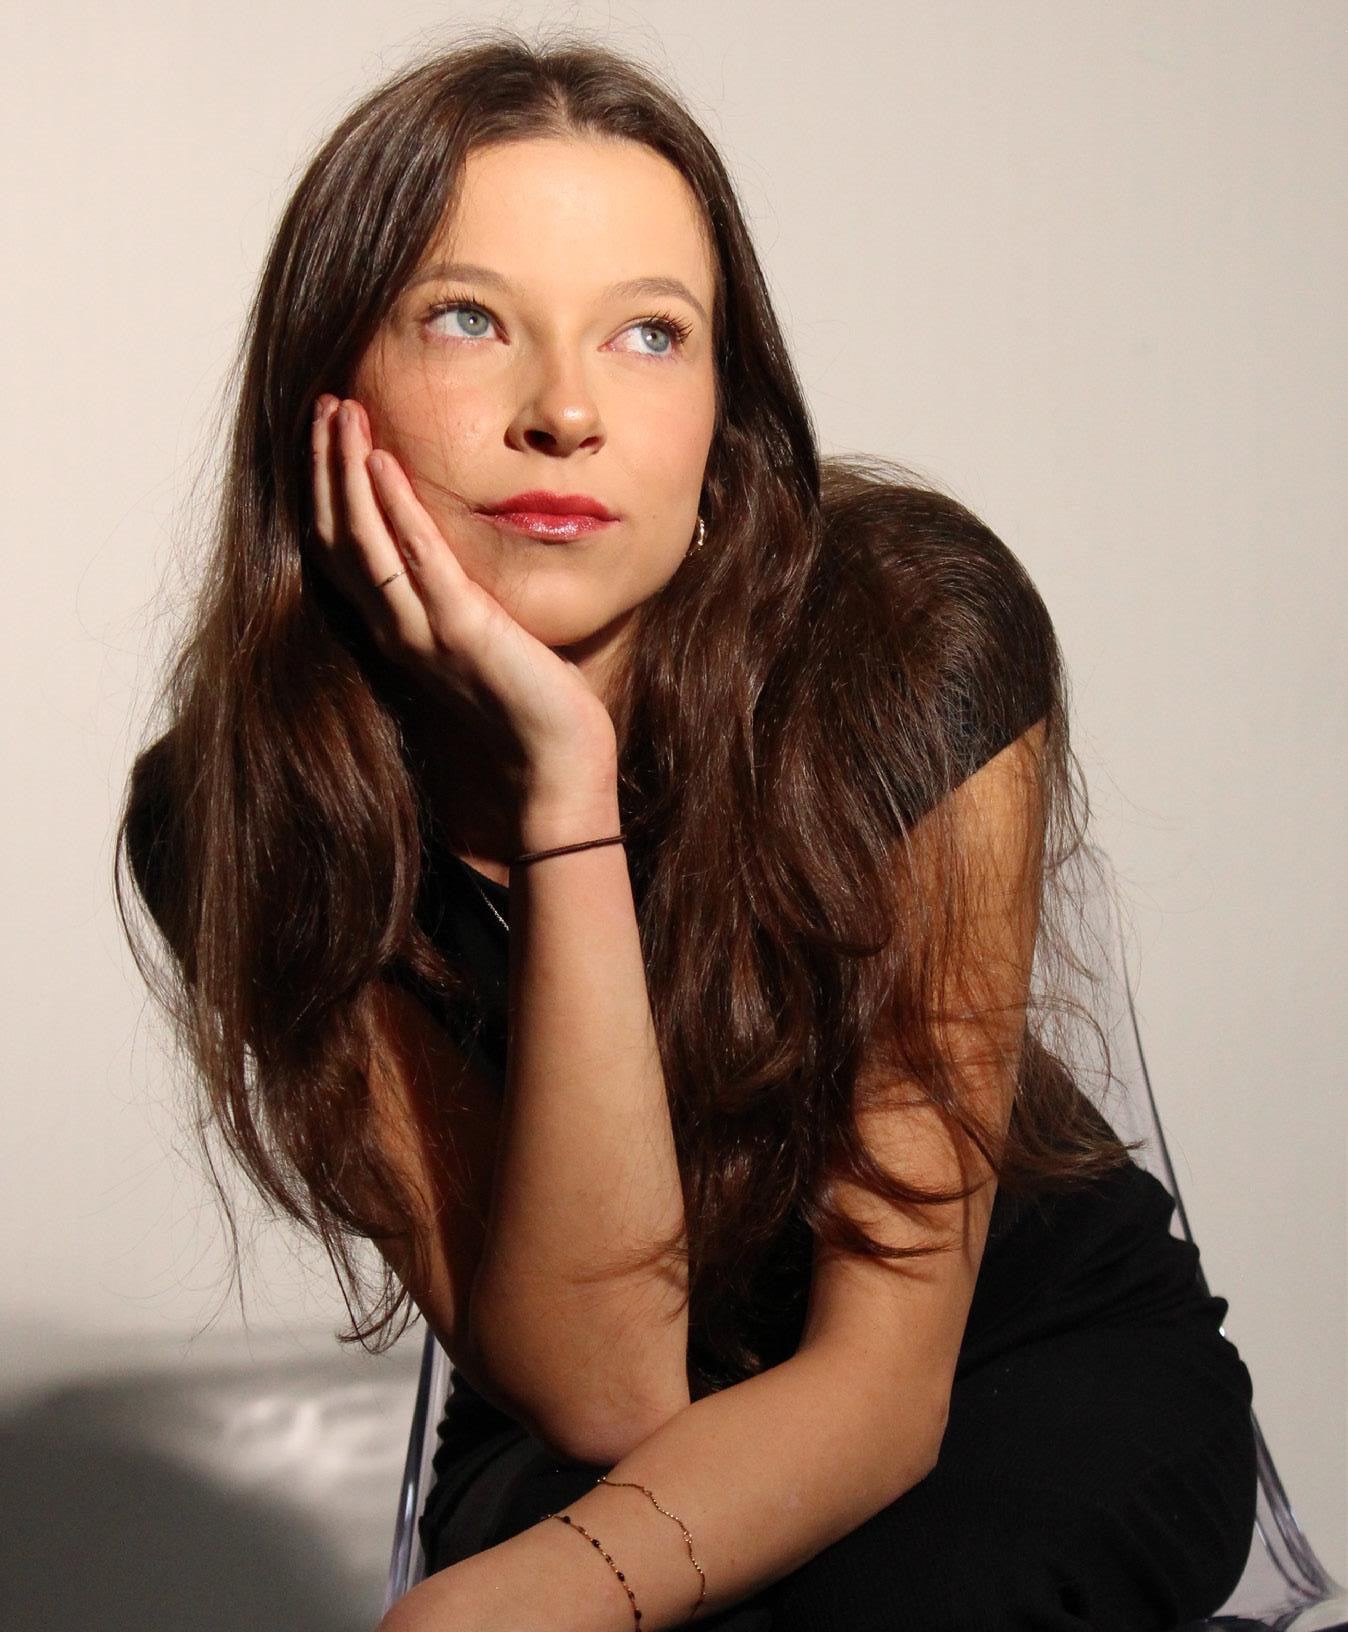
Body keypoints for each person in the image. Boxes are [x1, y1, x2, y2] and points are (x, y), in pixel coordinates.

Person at [116, 33, 1258, 1632]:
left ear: (725, 422)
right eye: (468, 319)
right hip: (598, 1423)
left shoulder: (904, 643)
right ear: (328, 384)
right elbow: (605, 1391)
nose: (566, 410)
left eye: (650, 333)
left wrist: (489, 1609)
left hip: (1008, 1375)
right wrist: (565, 791)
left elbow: (882, 1387)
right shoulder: (241, 809)